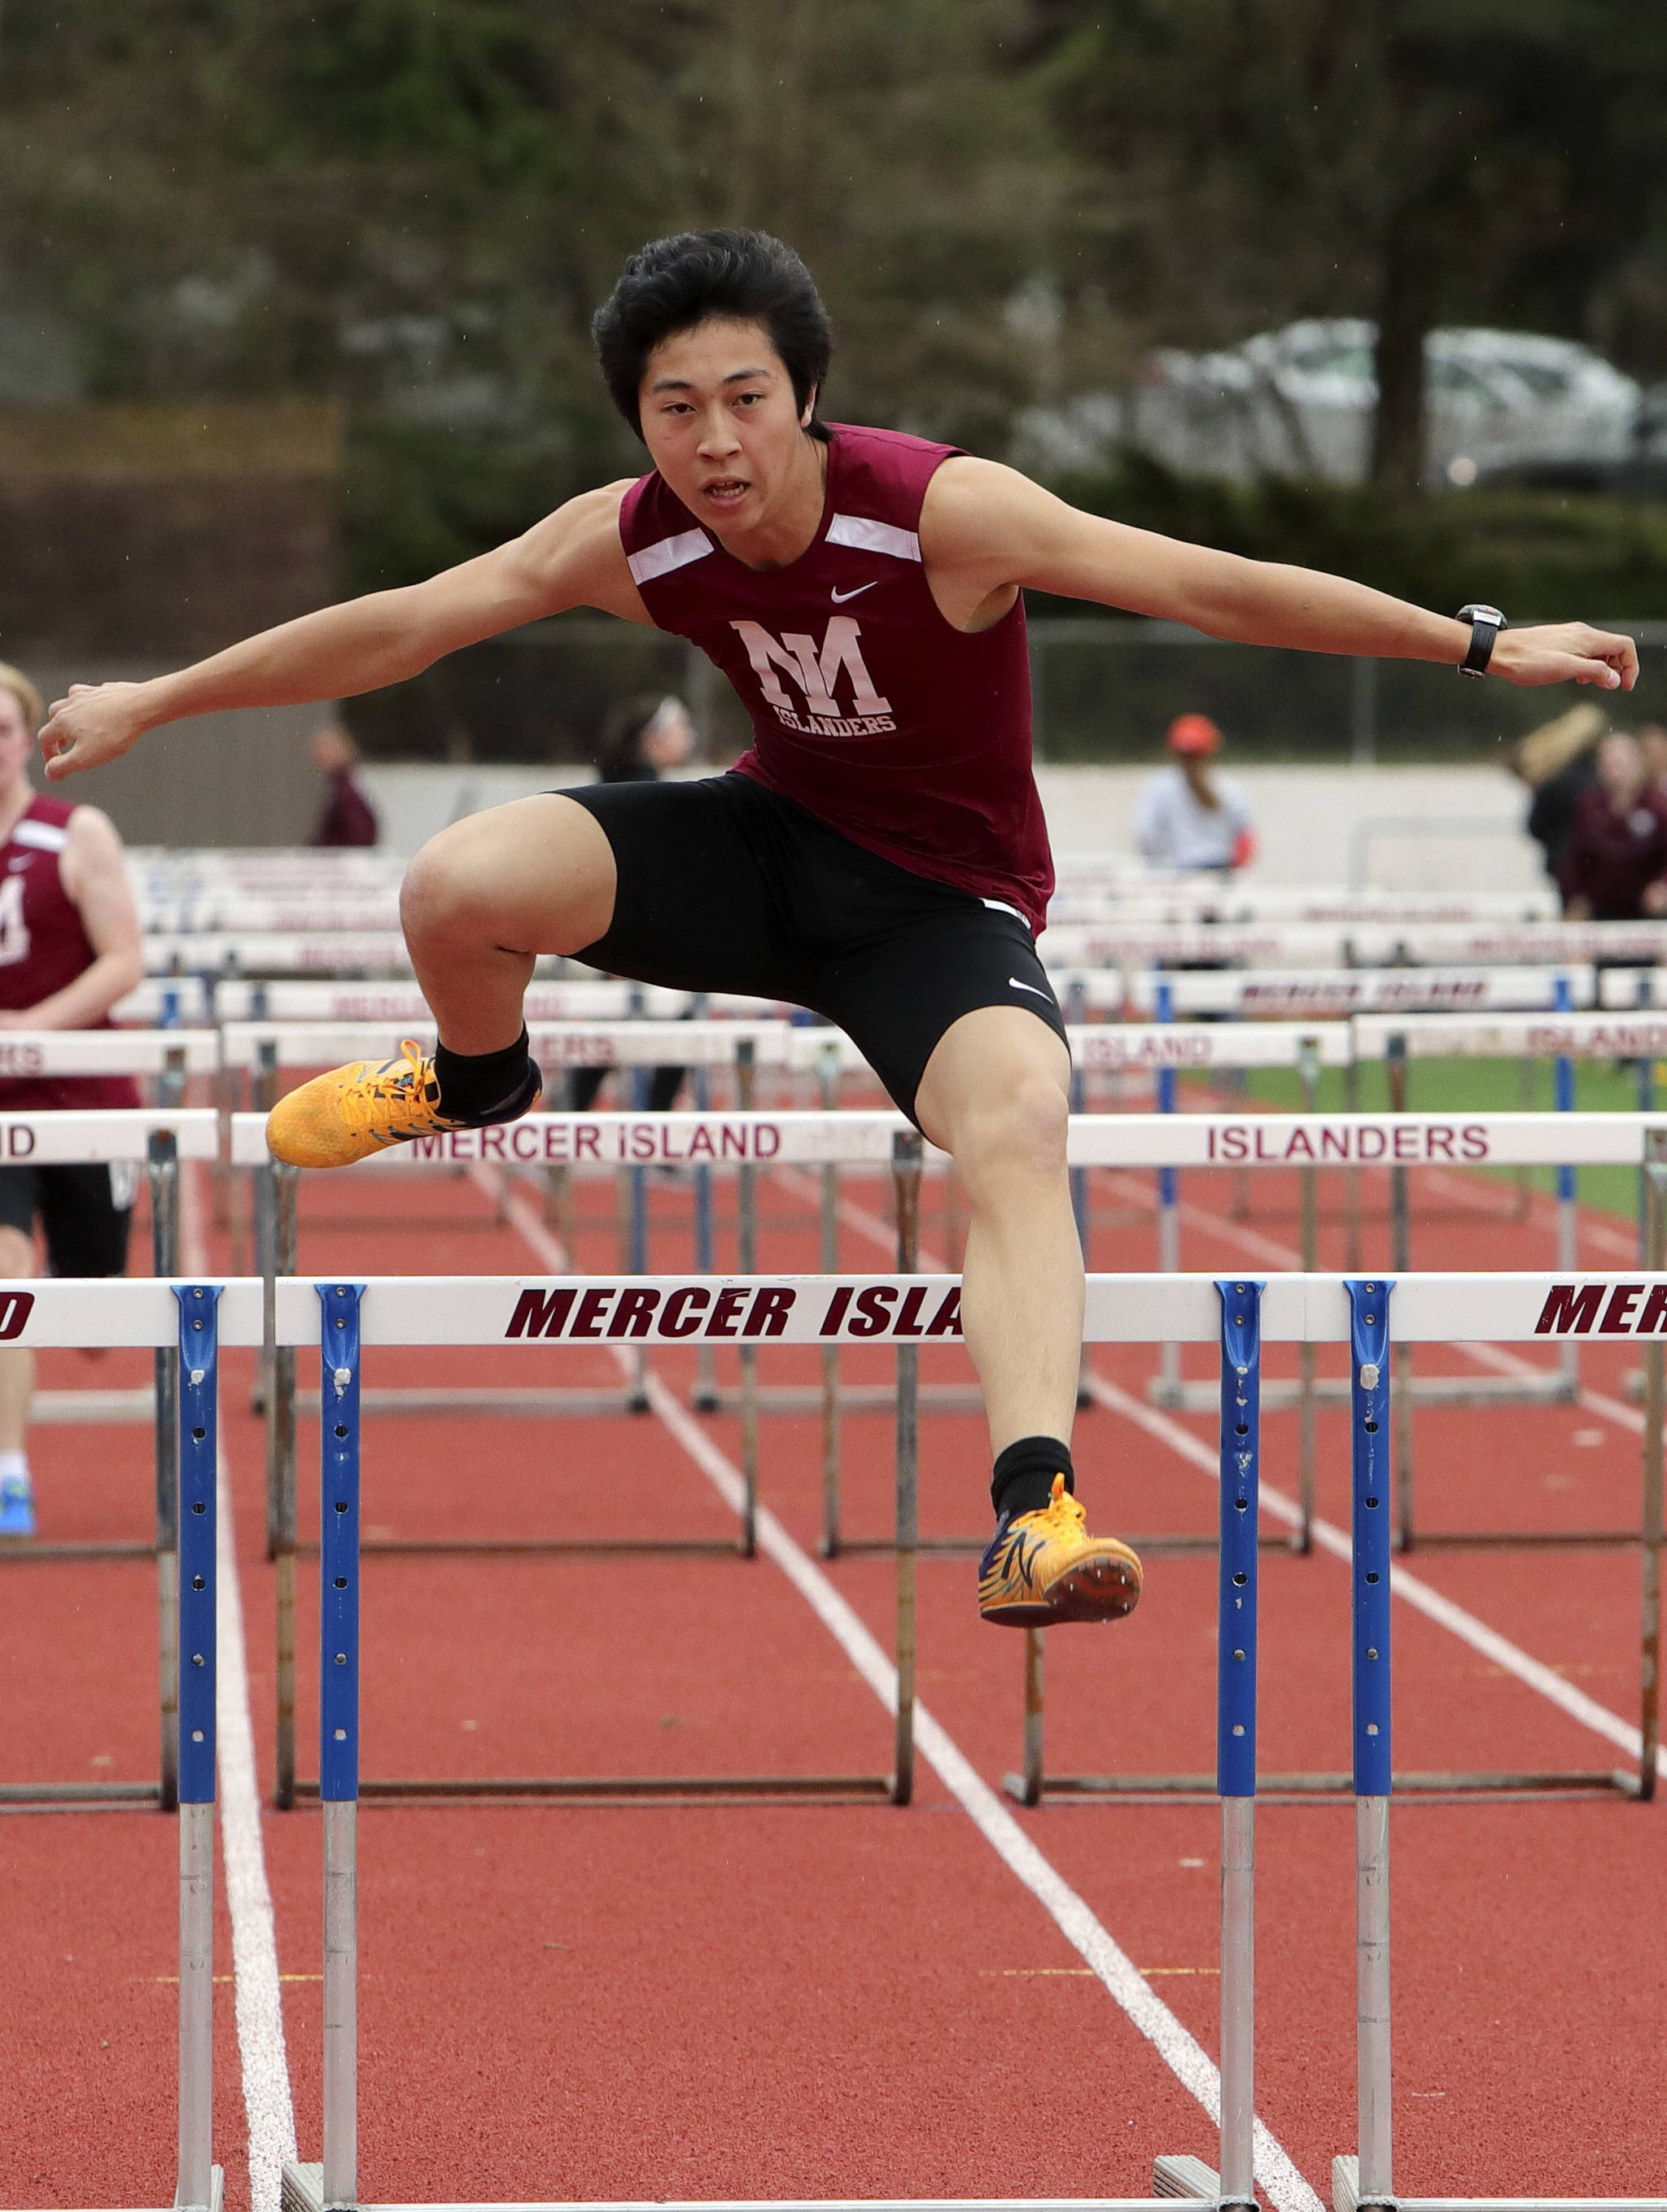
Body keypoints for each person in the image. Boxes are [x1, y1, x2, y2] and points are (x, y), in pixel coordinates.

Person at [37, 230, 1638, 1628]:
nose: (715, 442)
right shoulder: (634, 535)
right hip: (765, 842)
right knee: (454, 885)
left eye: (745, 398)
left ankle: (1033, 1510)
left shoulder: (943, 513)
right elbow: (405, 624)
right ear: (637, 423)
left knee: (1019, 1121)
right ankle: (474, 1077)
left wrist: (1476, 644)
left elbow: (1206, 586)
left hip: (936, 905)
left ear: (805, 394)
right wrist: (155, 702)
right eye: (675, 409)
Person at [0, 662, 144, 1540]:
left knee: (94, 1323)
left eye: (0, 729)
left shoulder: (75, 833)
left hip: (85, 1095)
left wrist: (29, 1028)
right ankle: (9, 1468)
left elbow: (124, 960)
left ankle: (74, 1274)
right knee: (5, 1274)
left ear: (29, 739)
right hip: (0, 1113)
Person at [571, 694, 697, 1114]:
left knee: (619, 1033)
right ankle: (651, 1122)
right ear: (652, 738)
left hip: (609, 923)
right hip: (632, 925)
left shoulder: (616, 781)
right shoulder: (646, 789)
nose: (690, 736)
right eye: (681, 728)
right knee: (671, 1029)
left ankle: (575, 1115)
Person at [1557, 730, 1667, 921]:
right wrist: (1573, 897)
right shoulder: (1589, 805)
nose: (1615, 771)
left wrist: (1663, 885)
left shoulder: (1658, 806)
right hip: (1600, 909)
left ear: (1638, 763)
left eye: (1621, 764)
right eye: (1609, 764)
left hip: (1649, 911)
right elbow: (1574, 858)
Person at [1131, 712, 1256, 874]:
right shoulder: (1228, 787)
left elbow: (1146, 837)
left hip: (1176, 873)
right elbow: (1245, 839)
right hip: (1220, 872)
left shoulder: (1159, 787)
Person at [1507, 701, 1604, 882]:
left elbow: (1536, 826)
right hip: (1593, 861)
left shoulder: (1555, 777)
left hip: (1561, 859)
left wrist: (1556, 843)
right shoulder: (1601, 778)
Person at [309, 719, 379, 847]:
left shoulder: (347, 788)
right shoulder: (342, 784)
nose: (318, 756)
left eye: (323, 750)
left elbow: (361, 833)